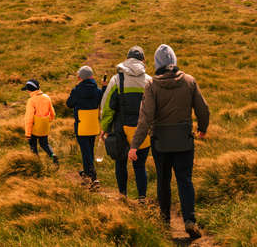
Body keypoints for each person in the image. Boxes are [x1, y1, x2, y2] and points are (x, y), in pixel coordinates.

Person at [129, 44, 209, 238]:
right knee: (185, 180)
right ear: (173, 61)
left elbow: (145, 118)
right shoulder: (189, 81)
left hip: (161, 143)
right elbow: (203, 109)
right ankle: (189, 220)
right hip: (184, 141)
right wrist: (202, 129)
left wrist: (134, 145)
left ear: (157, 64)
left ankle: (164, 223)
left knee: (163, 181)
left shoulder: (152, 85)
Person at [100, 46, 152, 201]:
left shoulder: (116, 80)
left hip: (120, 128)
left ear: (127, 59)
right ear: (143, 60)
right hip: (143, 130)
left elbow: (107, 106)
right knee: (140, 165)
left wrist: (104, 128)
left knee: (120, 163)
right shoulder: (149, 80)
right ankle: (142, 198)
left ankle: (123, 195)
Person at [66, 66, 107, 188]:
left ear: (81, 77)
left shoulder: (77, 90)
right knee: (88, 149)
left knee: (86, 152)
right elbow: (103, 98)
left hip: (81, 125)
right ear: (92, 76)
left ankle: (94, 178)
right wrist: (104, 86)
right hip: (93, 126)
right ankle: (86, 173)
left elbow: (69, 104)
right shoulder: (98, 91)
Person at [22, 79, 58, 164]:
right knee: (44, 144)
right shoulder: (47, 98)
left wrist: (28, 133)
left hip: (34, 128)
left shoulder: (31, 101)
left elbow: (29, 118)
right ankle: (52, 155)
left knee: (33, 146)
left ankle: (37, 164)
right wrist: (46, 121)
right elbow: (53, 114)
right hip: (44, 127)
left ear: (29, 90)